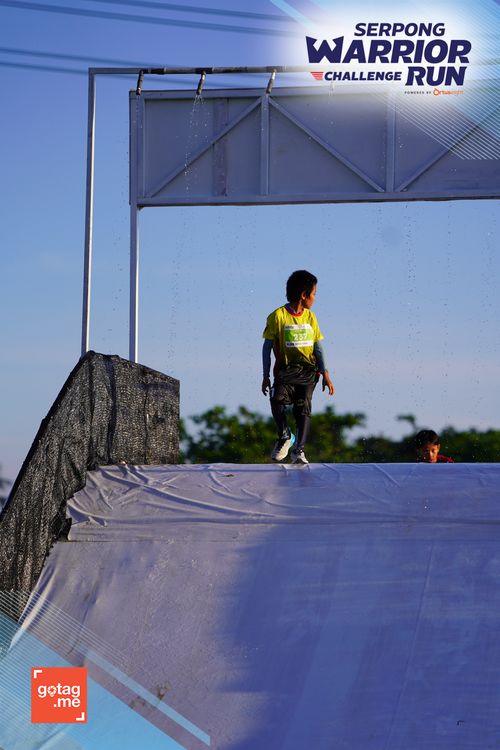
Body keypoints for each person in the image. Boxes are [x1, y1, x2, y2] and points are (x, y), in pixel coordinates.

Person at [262, 270, 334, 464]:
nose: (315, 298)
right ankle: (285, 435)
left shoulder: (311, 318)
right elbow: (267, 348)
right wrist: (265, 375)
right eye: (314, 294)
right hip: (285, 371)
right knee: (277, 400)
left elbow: (318, 347)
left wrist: (325, 373)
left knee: (303, 408)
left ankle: (299, 450)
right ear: (304, 295)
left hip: (308, 371)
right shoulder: (277, 316)